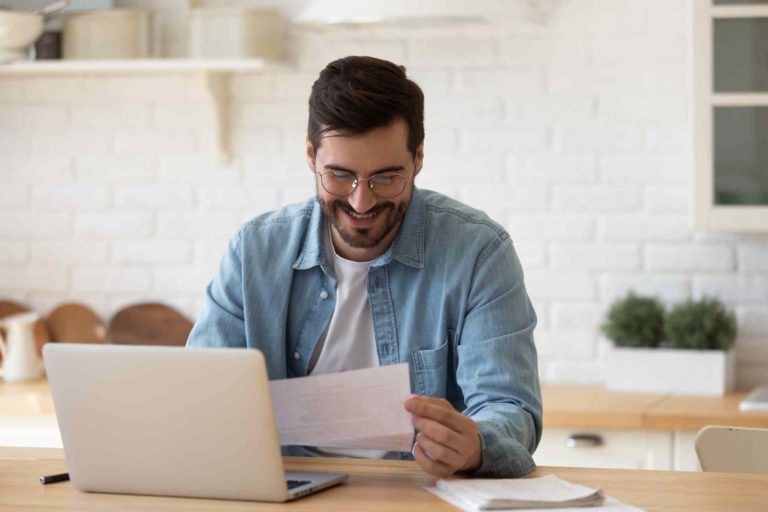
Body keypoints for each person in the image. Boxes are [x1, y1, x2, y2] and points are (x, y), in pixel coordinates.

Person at [187, 56, 542, 478]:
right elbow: (202, 397)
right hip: (283, 493)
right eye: (339, 176)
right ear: (310, 156)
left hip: (418, 495)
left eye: (386, 178)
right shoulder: (255, 252)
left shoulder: (478, 252)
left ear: (418, 159)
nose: (361, 201)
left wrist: (475, 444)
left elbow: (510, 407)